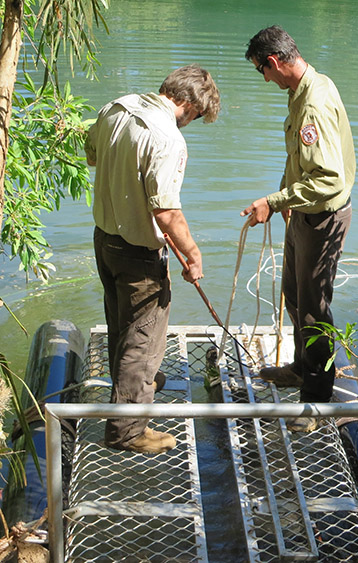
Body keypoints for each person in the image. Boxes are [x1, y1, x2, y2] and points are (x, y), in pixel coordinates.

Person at [85, 65, 221, 454]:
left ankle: (133, 386)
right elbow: (166, 212)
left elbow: (92, 155)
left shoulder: (116, 108)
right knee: (144, 339)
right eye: (196, 116)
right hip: (138, 254)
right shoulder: (168, 138)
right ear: (188, 104)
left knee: (121, 322)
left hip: (105, 240)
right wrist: (193, 256)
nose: (191, 123)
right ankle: (127, 432)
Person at [241, 26, 355, 432]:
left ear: (273, 62)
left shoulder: (313, 106)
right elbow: (301, 162)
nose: (265, 79)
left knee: (313, 309)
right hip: (303, 213)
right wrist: (286, 202)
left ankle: (316, 402)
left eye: (261, 71)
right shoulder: (307, 88)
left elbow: (329, 179)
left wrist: (272, 202)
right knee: (294, 294)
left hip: (322, 218)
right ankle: (301, 368)